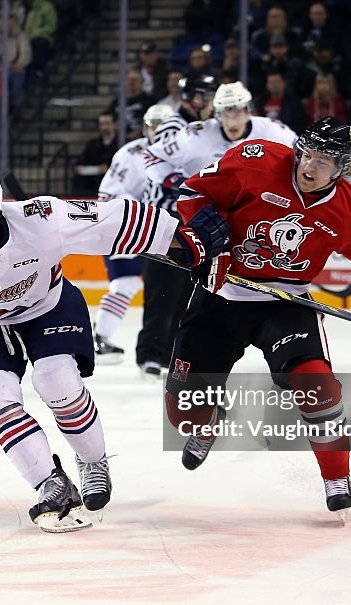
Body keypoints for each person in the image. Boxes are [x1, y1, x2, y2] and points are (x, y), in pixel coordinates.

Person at [0, 163, 227, 532]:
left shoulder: (42, 220)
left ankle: (93, 461)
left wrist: (179, 236)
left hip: (47, 308)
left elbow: (113, 218)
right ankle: (51, 483)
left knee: (56, 380)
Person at [165, 117, 351, 518]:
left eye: (323, 161)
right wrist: (208, 244)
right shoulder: (254, 161)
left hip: (286, 304)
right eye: (306, 154)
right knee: (182, 412)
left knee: (315, 383)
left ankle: (336, 478)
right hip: (220, 296)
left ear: (341, 168)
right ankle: (208, 420)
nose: (308, 166)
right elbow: (194, 193)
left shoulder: (349, 209)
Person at [136, 81, 298, 378]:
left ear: (249, 110)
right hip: (201, 221)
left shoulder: (275, 131)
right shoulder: (196, 135)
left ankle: (287, 347)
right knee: (182, 289)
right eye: (226, 112)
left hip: (248, 222)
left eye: (238, 111)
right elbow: (151, 157)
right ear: (216, 113)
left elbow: (304, 164)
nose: (233, 119)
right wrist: (176, 181)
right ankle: (162, 353)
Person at [133, 73, 217, 377]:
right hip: (163, 219)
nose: (207, 102)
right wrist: (183, 183)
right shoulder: (173, 125)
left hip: (188, 220)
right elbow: (154, 162)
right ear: (189, 97)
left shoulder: (207, 128)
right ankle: (150, 353)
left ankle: (168, 351)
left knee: (184, 290)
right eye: (202, 95)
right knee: (161, 290)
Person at [93, 103, 173, 364]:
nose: (160, 132)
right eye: (154, 127)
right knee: (125, 283)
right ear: (146, 127)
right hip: (127, 228)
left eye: (166, 127)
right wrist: (138, 212)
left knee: (168, 290)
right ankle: (101, 337)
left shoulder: (182, 153)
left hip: (164, 232)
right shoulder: (130, 153)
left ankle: (169, 345)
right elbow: (107, 194)